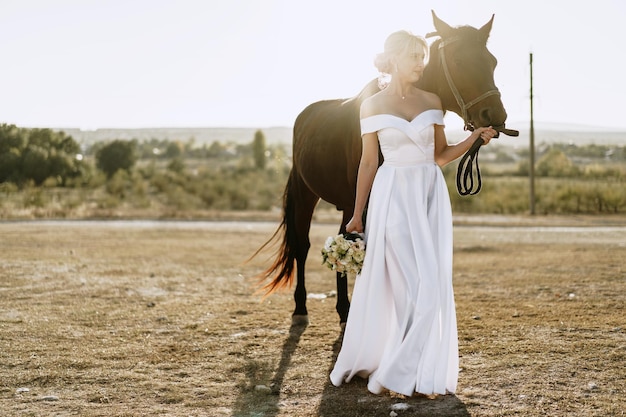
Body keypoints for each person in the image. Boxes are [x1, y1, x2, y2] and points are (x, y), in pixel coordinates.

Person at [329, 30, 497, 397]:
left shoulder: (433, 100)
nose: (421, 63)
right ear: (393, 59)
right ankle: (399, 370)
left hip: (429, 195)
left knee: (432, 285)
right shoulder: (370, 105)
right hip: (391, 197)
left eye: (423, 57)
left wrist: (474, 138)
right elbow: (369, 162)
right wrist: (356, 214)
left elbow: (439, 155)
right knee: (411, 288)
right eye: (414, 57)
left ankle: (409, 369)